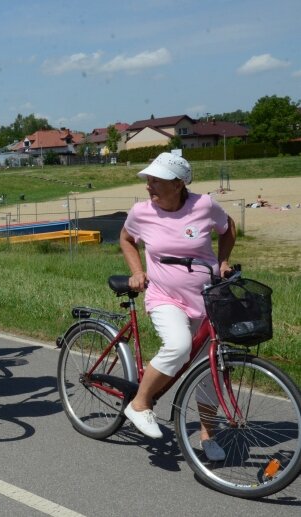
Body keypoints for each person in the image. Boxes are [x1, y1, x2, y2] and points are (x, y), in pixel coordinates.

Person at [119, 152, 236, 461]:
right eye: (149, 180)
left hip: (207, 298)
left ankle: (208, 434)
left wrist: (223, 261)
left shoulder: (204, 206)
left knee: (208, 368)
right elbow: (127, 239)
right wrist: (137, 271)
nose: (149, 186)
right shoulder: (141, 212)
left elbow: (228, 228)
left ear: (178, 184)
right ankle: (140, 403)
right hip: (164, 296)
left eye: (156, 180)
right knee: (179, 344)